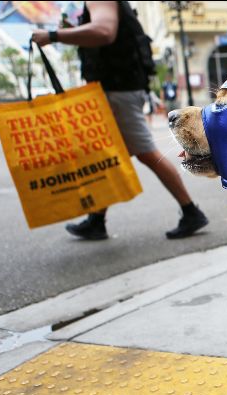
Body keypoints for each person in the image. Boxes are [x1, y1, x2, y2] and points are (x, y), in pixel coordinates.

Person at [31, 1, 208, 240]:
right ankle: (96, 219)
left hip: (118, 90)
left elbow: (104, 31)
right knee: (107, 156)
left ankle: (190, 211)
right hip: (118, 88)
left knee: (146, 152)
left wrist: (53, 35)